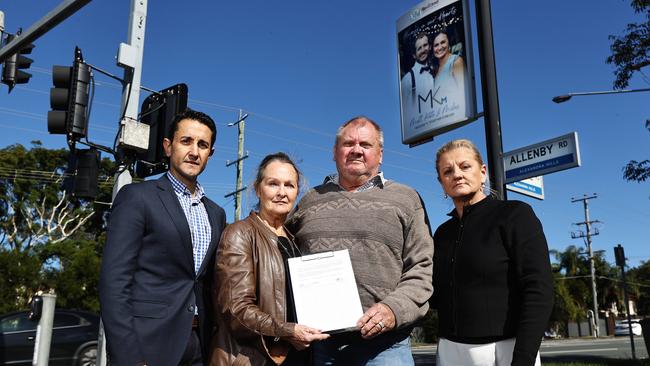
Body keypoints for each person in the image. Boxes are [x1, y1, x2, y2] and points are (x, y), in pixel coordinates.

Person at [287, 116, 434, 365]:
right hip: (322, 347)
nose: (356, 150)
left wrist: (392, 310)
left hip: (387, 348)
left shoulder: (407, 199)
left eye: (365, 145)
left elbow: (421, 269)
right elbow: (283, 260)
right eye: (348, 144)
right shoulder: (308, 201)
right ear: (334, 152)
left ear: (380, 154)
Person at [99, 109, 226, 366]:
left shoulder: (216, 213)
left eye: (203, 145)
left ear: (210, 154)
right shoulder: (137, 197)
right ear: (168, 147)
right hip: (148, 345)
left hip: (199, 345)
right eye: (186, 141)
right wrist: (129, 357)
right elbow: (114, 283)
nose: (194, 151)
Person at [432, 139, 554, 366]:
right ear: (441, 182)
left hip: (507, 350)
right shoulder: (442, 234)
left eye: (465, 166)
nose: (457, 174)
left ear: (483, 172)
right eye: (448, 171)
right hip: (449, 351)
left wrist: (523, 358)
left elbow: (539, 290)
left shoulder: (515, 215)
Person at [210, 152, 329, 366]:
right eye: (273, 184)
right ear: (258, 189)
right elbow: (236, 310)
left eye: (289, 185)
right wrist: (286, 331)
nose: (282, 193)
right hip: (253, 358)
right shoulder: (240, 234)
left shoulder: (294, 241)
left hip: (296, 354)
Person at [400, 32, 437, 125]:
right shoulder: (407, 80)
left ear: (430, 47)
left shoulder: (437, 69)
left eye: (425, 45)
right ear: (414, 55)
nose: (423, 50)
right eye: (419, 48)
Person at [431, 31, 466, 113]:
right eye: (436, 45)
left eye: (443, 42)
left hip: (456, 113)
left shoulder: (456, 62)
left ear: (449, 43)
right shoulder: (435, 70)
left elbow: (464, 93)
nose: (439, 48)